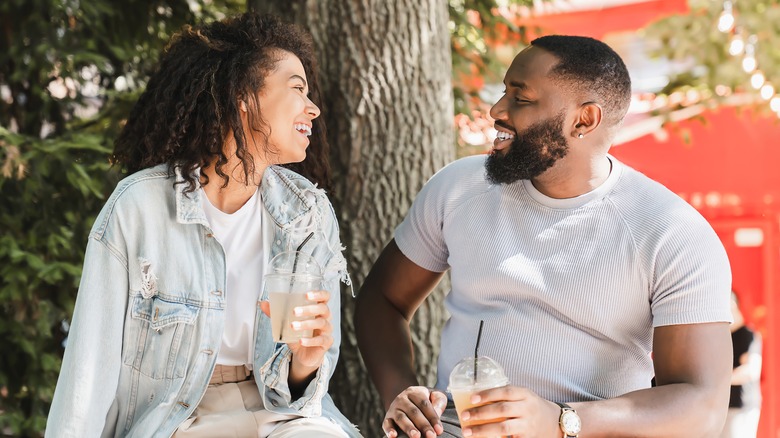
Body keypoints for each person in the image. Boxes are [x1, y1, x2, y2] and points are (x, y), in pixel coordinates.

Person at [355, 35, 733, 438]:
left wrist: (560, 420)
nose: (496, 109)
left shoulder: (671, 232)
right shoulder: (459, 187)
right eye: (504, 92)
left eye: (521, 98)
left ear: (583, 120)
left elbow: (702, 405)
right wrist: (401, 391)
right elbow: (382, 300)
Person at [46, 12, 360, 438]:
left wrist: (305, 362)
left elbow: (302, 394)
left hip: (280, 413)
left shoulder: (307, 213)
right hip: (177, 415)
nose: (314, 107)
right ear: (243, 97)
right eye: (297, 89)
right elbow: (88, 370)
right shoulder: (139, 209)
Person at [721, 292, 762, 438]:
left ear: (731, 305)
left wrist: (718, 381)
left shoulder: (746, 335)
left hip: (741, 408)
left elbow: (751, 371)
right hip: (725, 408)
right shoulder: (725, 338)